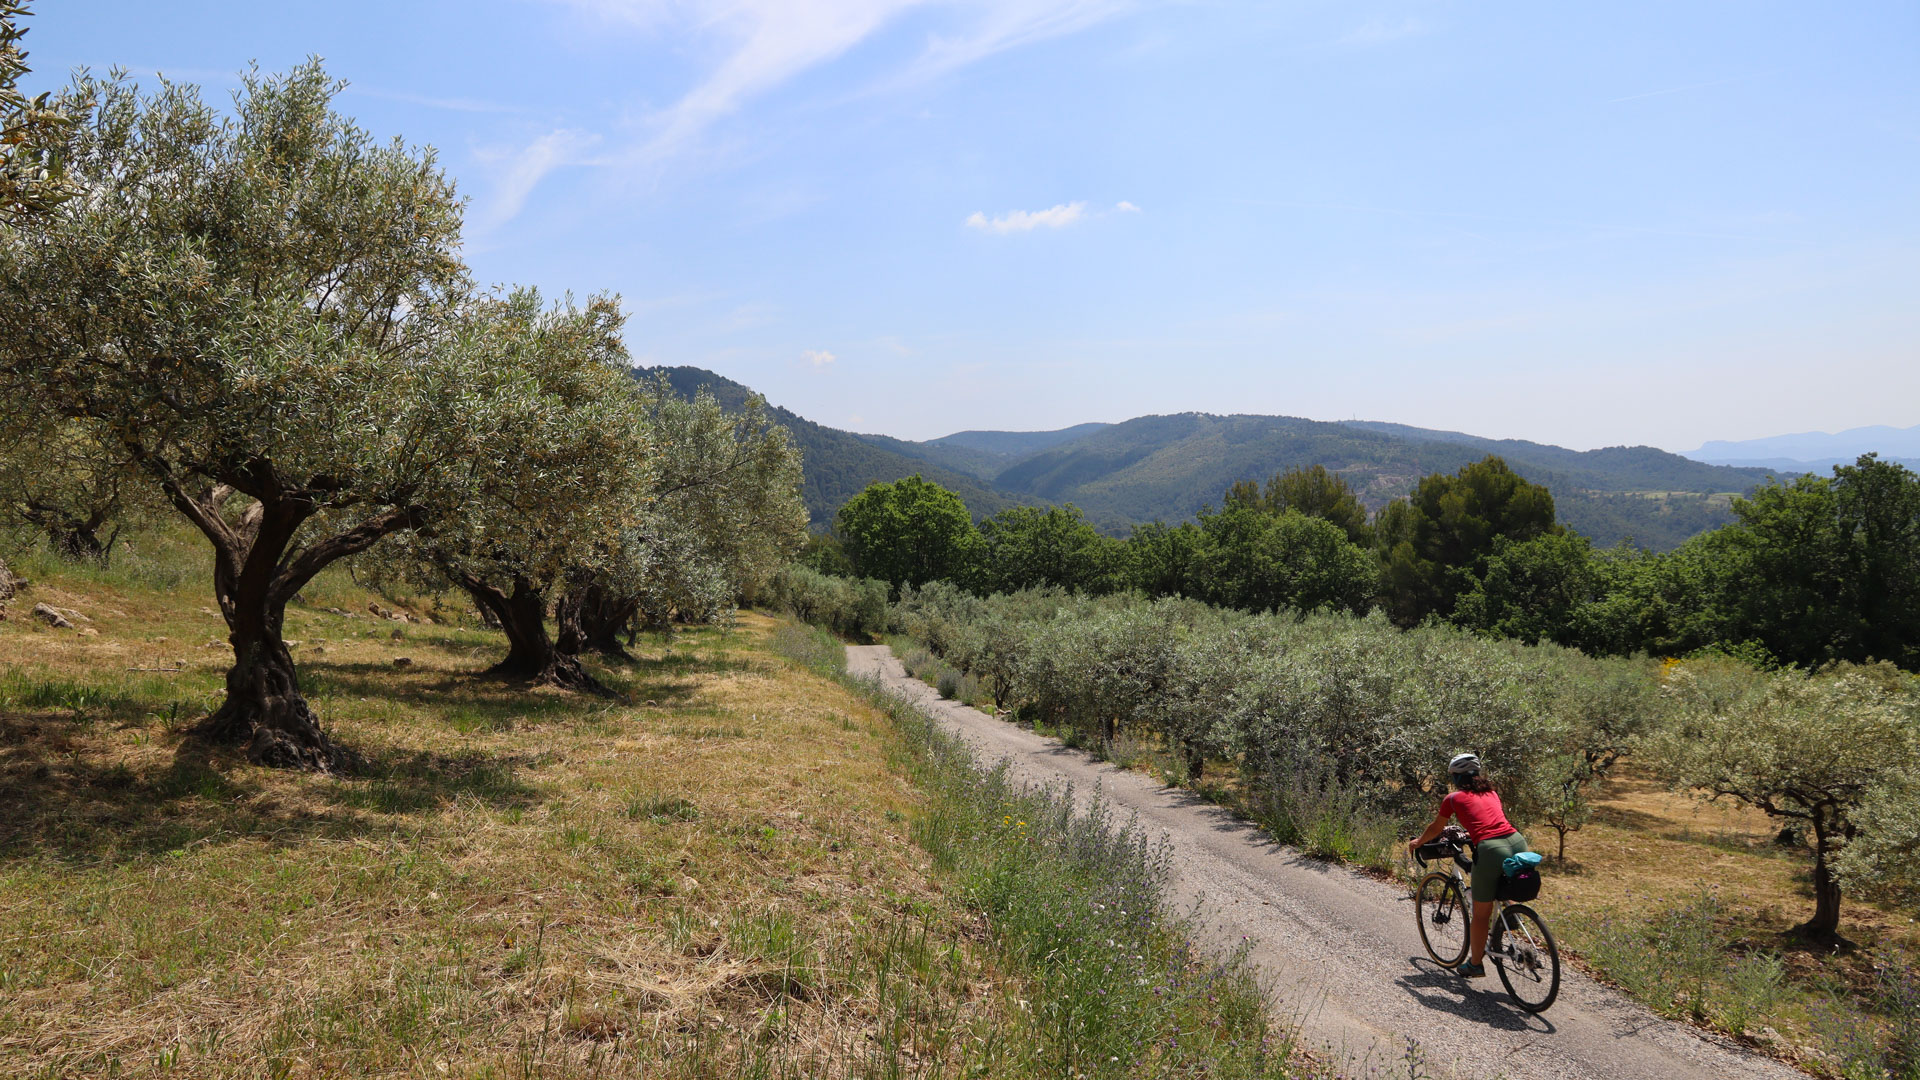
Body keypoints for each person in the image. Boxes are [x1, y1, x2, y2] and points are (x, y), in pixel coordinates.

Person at [1408, 752, 1531, 979]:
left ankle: (1475, 965)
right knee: (1501, 883)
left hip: (1492, 849)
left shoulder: (1453, 799)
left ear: (1456, 778)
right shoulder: (1492, 792)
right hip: (1517, 842)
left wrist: (1418, 842)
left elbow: (1436, 828)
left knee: (1481, 914)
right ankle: (1512, 912)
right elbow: (1485, 819)